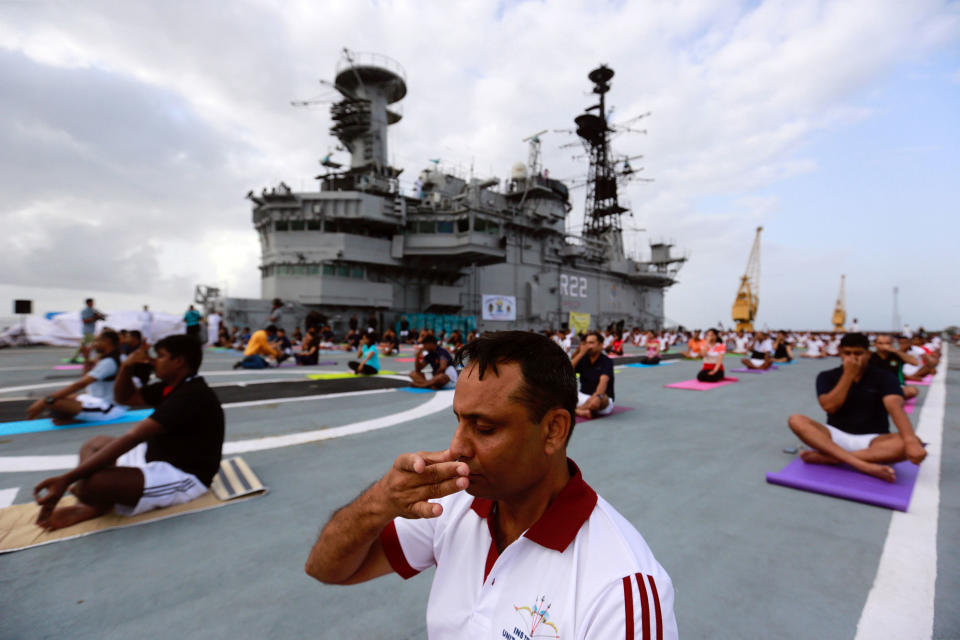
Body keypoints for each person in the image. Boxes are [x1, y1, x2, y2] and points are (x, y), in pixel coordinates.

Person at [304, 331, 677, 638]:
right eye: (459, 421)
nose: (457, 447)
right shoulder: (452, 505)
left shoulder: (620, 587)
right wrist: (381, 500)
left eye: (484, 428)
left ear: (553, 430)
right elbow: (327, 569)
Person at [33, 335, 224, 531]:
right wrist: (125, 367)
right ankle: (93, 501)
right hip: (155, 454)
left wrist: (67, 479)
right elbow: (125, 398)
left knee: (93, 483)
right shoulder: (170, 387)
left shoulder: (192, 395)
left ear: (178, 361)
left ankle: (92, 500)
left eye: (160, 356)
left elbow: (133, 437)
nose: (152, 361)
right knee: (95, 444)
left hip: (182, 475)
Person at [787, 333, 925, 482]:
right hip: (835, 436)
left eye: (858, 353)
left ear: (868, 354)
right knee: (796, 420)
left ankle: (831, 459)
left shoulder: (884, 377)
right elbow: (829, 407)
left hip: (873, 440)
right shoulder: (827, 376)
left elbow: (895, 407)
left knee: (910, 442)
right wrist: (848, 375)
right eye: (847, 353)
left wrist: (911, 441)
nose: (852, 358)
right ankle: (862, 465)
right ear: (840, 353)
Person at [28, 329, 128, 425]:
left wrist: (44, 402)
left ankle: (77, 418)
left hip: (109, 408)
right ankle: (73, 416)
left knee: (52, 401)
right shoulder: (113, 357)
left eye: (96, 341)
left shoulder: (109, 362)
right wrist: (86, 358)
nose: (93, 344)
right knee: (57, 398)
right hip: (94, 400)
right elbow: (85, 378)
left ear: (106, 341)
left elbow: (80, 384)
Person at [570, 331, 615, 418]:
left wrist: (597, 396)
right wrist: (581, 353)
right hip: (582, 396)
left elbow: (603, 382)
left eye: (591, 343)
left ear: (600, 345)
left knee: (596, 401)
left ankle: (575, 410)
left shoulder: (606, 361)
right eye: (586, 343)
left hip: (601, 398)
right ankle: (580, 411)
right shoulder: (583, 359)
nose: (588, 346)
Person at [870, 334, 920, 399]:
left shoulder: (896, 355)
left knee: (912, 390)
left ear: (891, 344)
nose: (884, 346)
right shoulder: (870, 357)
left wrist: (895, 351)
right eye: (880, 343)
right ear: (875, 344)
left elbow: (915, 362)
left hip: (894, 386)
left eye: (887, 343)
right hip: (876, 386)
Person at [69, 298, 106, 364]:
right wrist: (94, 317)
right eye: (91, 303)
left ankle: (74, 358)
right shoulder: (85, 311)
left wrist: (99, 317)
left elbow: (98, 318)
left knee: (83, 346)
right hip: (88, 331)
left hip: (90, 331)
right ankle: (98, 357)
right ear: (88, 303)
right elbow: (85, 321)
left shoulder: (93, 310)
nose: (92, 304)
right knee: (95, 344)